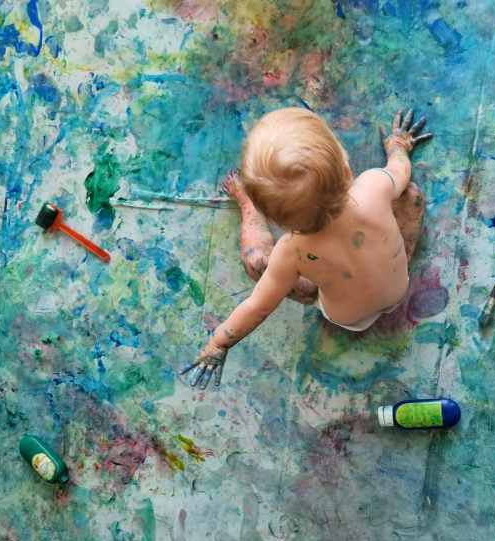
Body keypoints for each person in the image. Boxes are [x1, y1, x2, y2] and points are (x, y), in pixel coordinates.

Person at [180, 107, 432, 389]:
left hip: (350, 317)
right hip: (397, 288)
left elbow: (257, 307)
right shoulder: (373, 184)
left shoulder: (291, 251)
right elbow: (400, 168)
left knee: (258, 262)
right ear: (347, 170)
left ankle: (248, 206)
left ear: (277, 219)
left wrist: (218, 343)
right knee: (410, 193)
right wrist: (398, 146)